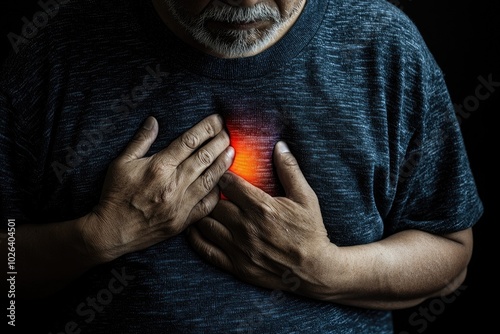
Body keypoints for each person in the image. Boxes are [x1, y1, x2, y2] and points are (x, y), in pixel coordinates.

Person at [0, 0, 484, 333]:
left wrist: (324, 269)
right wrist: (94, 238)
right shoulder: (51, 49)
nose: (246, 2)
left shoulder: (385, 46)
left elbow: (450, 255)